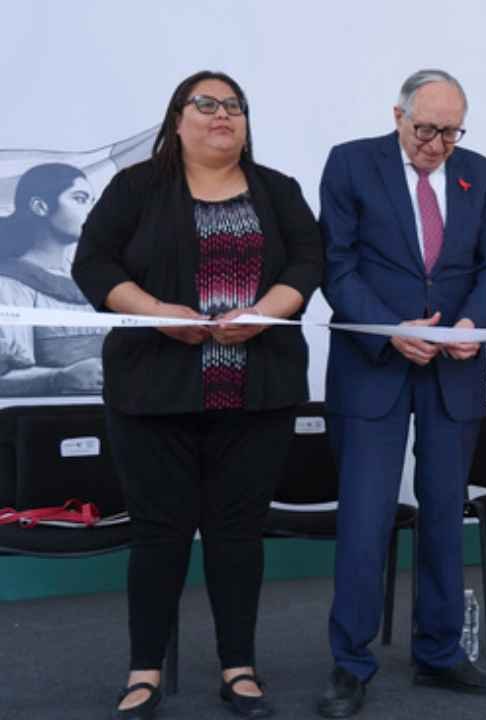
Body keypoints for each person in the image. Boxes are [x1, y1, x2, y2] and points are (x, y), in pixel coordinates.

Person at [72, 70, 324, 720]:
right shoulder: (136, 189)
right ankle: (144, 672)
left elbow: (307, 261)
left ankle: (239, 669)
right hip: (152, 395)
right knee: (159, 535)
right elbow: (93, 264)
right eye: (206, 104)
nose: (222, 116)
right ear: (177, 119)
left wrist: (266, 312)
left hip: (256, 394)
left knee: (237, 533)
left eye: (234, 106)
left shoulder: (278, 190)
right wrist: (157, 311)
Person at [317, 69, 486, 717]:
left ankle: (439, 652)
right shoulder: (351, 164)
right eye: (425, 129)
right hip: (373, 366)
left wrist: (471, 325)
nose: (435, 144)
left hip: (452, 369)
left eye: (449, 132)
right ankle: (351, 663)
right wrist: (387, 329)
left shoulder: (478, 173)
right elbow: (336, 265)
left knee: (444, 517)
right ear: (398, 114)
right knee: (366, 519)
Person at [0, 163, 106, 396]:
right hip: (42, 422)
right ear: (40, 207)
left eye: (92, 201)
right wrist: (59, 378)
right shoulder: (10, 285)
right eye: (80, 199)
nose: (93, 210)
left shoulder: (94, 278)